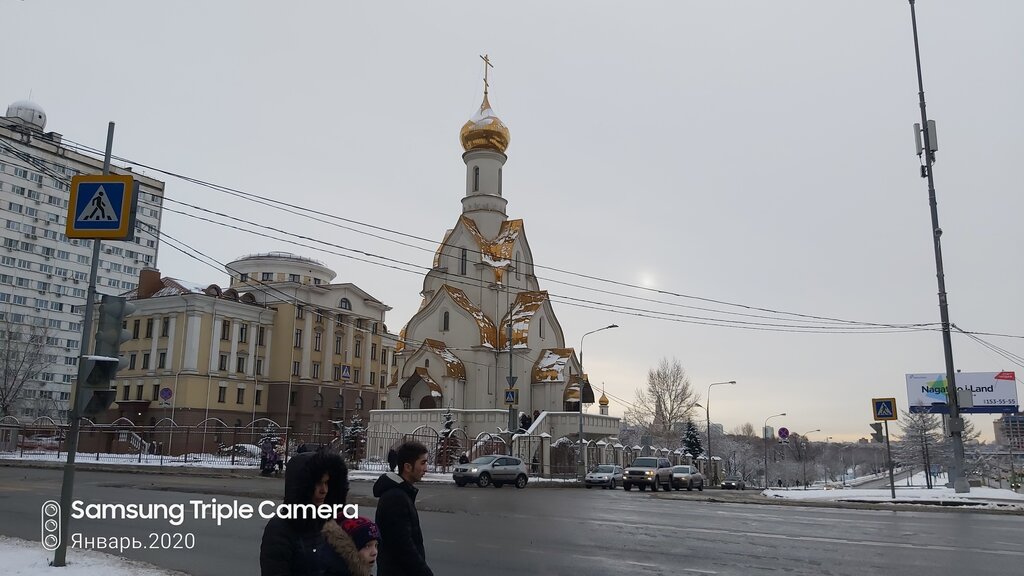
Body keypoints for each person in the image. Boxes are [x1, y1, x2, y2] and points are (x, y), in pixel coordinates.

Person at [260, 450, 350, 575]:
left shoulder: (330, 524)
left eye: (326, 483)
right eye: (318, 483)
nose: (324, 490)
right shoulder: (280, 529)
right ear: (303, 486)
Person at [373, 441, 433, 576]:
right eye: (422, 463)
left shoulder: (402, 493)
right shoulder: (395, 498)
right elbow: (403, 547)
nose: (426, 468)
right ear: (407, 466)